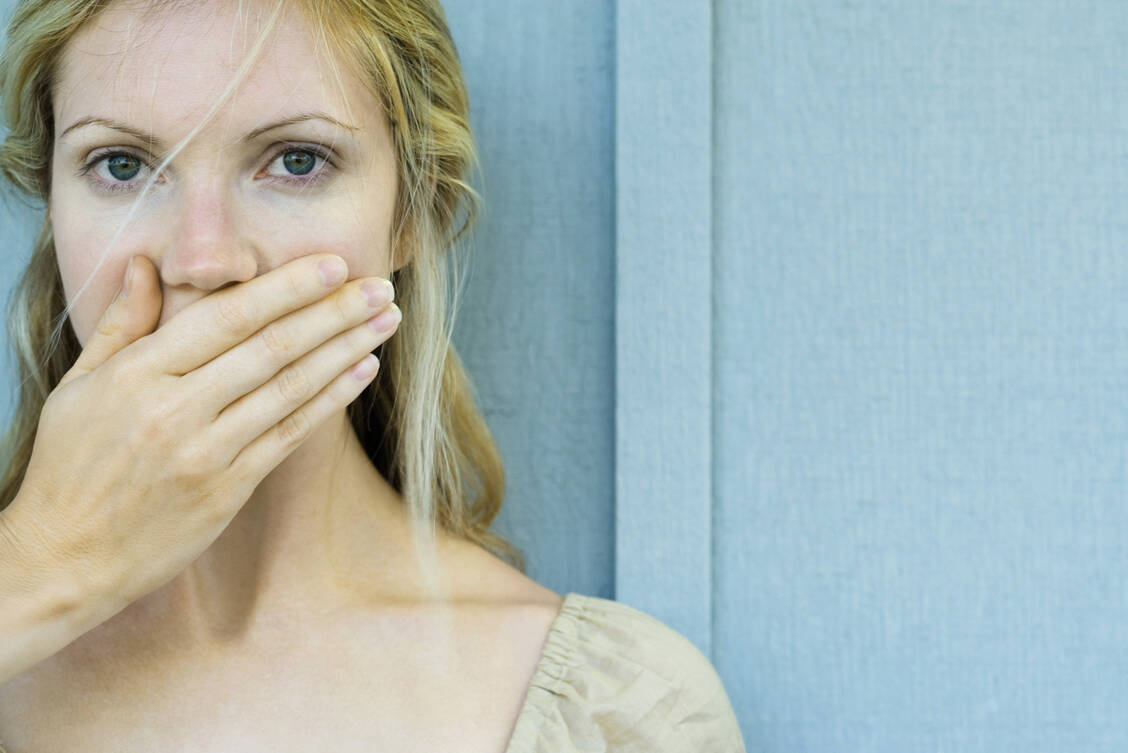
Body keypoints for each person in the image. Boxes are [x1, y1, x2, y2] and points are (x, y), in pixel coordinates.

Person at [0, 0, 747, 750]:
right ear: (54, 213)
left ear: (413, 212)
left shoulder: (616, 713)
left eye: (297, 160)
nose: (205, 259)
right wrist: (37, 566)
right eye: (122, 165)